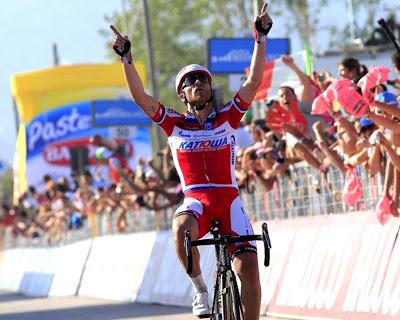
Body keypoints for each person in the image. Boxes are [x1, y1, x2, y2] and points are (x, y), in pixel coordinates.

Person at [110, 3, 272, 319]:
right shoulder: (173, 123)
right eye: (190, 81)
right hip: (195, 200)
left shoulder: (228, 116)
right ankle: (200, 289)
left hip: (229, 202)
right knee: (181, 226)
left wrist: (260, 38)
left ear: (210, 88)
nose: (198, 83)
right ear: (182, 94)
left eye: (203, 79)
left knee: (250, 271)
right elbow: (141, 98)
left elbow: (252, 82)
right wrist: (126, 59)